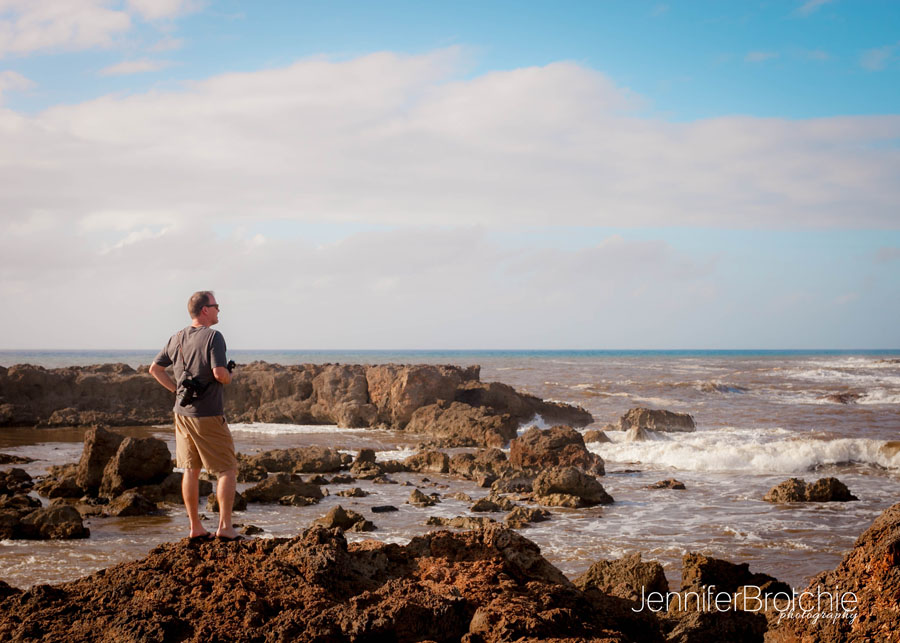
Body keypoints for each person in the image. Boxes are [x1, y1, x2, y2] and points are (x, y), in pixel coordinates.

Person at [149, 291, 241, 541]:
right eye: (216, 306)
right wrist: (230, 377)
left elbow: (155, 369)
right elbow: (220, 373)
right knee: (227, 469)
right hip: (208, 414)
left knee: (190, 470)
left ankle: (195, 527)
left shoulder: (176, 337)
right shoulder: (214, 337)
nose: (219, 310)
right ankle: (225, 528)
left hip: (182, 413)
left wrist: (176, 390)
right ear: (205, 310)